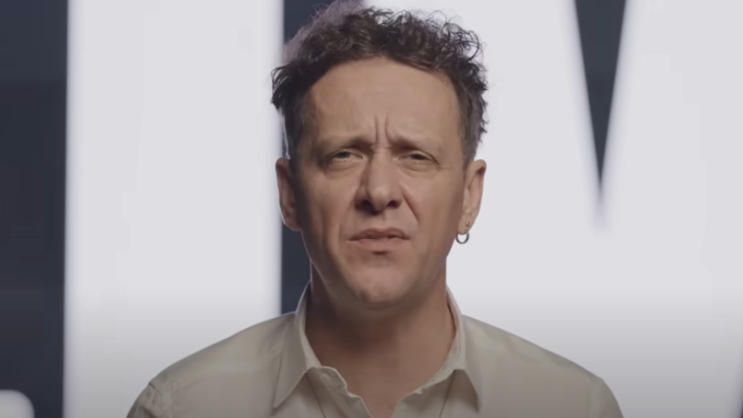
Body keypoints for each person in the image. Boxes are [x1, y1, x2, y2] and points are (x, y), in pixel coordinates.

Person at [126, 2, 624, 418]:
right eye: (344, 155)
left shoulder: (573, 407)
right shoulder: (182, 408)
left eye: (416, 156)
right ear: (290, 193)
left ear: (469, 197)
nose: (379, 190)